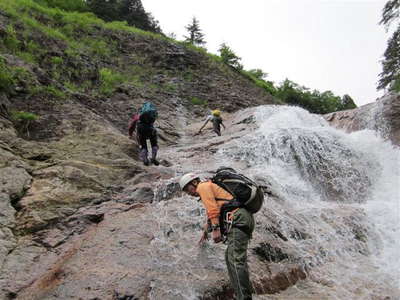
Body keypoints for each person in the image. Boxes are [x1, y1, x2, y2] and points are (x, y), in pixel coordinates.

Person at [179, 173, 255, 300]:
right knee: (230, 259)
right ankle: (240, 295)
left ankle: (245, 297)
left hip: (238, 219)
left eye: (188, 189)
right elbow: (214, 210)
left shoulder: (203, 187)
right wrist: (205, 232)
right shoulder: (209, 186)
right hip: (241, 219)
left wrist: (216, 229)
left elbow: (212, 209)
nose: (189, 193)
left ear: (194, 183)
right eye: (186, 192)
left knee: (236, 261)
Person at [128, 102, 159, 166]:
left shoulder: (138, 115)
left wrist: (130, 134)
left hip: (141, 131)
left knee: (143, 146)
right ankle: (153, 158)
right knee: (154, 144)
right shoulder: (151, 114)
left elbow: (132, 126)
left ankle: (145, 160)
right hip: (151, 130)